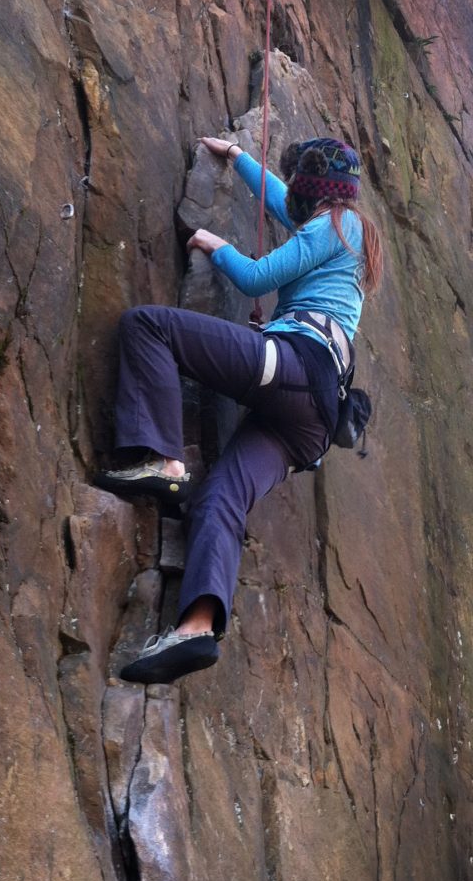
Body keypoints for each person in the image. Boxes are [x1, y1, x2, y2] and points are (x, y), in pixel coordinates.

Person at [96, 136, 383, 683]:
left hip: (294, 367)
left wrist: (215, 245)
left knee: (149, 326)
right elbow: (282, 203)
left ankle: (164, 460)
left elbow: (254, 277)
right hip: (311, 423)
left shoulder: (331, 226)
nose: (291, 192)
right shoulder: (346, 230)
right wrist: (238, 157)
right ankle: (197, 627)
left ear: (314, 189)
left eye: (298, 182)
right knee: (221, 496)